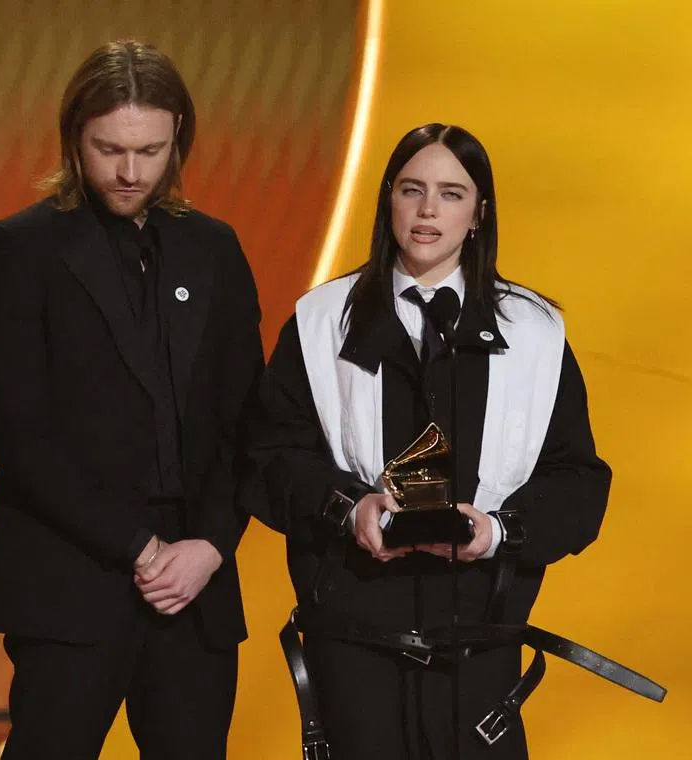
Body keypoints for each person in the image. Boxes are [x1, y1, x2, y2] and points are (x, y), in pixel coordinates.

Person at [246, 123, 613, 759]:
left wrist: (497, 532)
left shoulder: (535, 334)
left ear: (478, 214)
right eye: (412, 189)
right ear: (388, 199)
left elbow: (579, 483)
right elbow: (269, 460)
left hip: (478, 651)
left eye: (450, 193)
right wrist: (349, 508)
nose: (427, 210)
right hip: (354, 645)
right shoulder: (318, 323)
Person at [0, 40, 262, 760]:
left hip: (194, 588)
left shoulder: (213, 249)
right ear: (75, 139)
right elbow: (21, 437)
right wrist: (141, 548)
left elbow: (248, 423)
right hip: (71, 580)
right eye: (110, 149)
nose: (131, 171)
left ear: (178, 143)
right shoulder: (21, 251)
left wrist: (210, 547)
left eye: (151, 150)